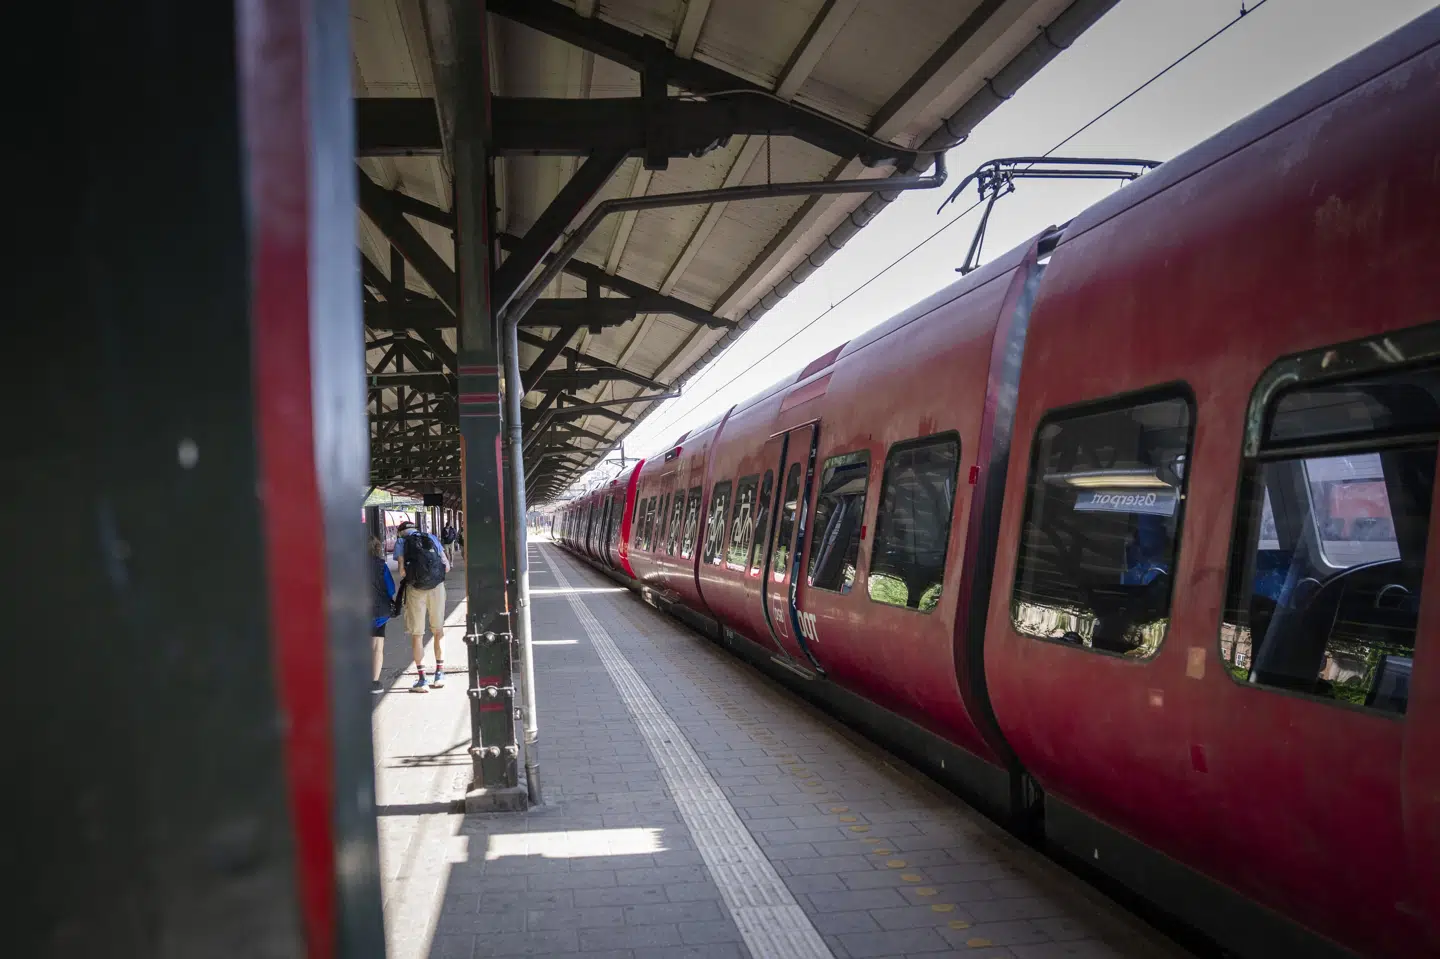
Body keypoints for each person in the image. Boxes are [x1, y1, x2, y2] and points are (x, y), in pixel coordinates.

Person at [393, 521, 450, 692]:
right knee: (438, 631)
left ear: (401, 532)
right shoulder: (431, 537)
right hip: (437, 589)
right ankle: (440, 674)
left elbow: (402, 572)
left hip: (416, 591)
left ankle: (422, 680)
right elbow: (446, 567)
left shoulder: (402, 542)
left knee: (417, 635)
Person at [369, 537, 396, 695]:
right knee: (378, 646)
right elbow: (391, 589)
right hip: (380, 612)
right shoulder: (382, 566)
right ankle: (374, 683)